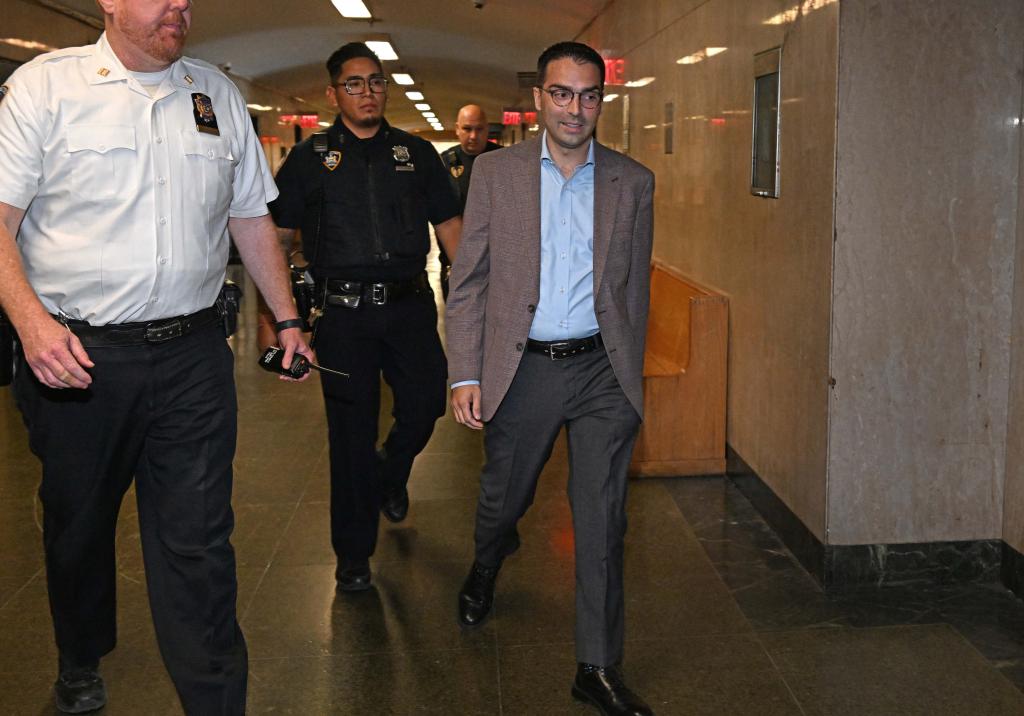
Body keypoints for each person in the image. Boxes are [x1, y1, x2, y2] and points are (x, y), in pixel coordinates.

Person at [0, 1, 312, 714]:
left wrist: (287, 316)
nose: (180, 6)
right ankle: (80, 657)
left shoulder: (216, 94)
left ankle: (215, 700)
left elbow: (249, 216)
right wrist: (31, 325)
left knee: (199, 543)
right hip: (78, 359)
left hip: (195, 357)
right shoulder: (46, 89)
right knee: (77, 527)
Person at [446, 41, 655, 716]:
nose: (575, 108)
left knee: (602, 522)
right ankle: (486, 561)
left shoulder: (632, 181)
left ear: (602, 101)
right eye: (561, 93)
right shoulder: (496, 175)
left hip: (600, 373)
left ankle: (596, 667)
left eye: (589, 94)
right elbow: (469, 280)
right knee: (504, 500)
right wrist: (464, 373)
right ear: (538, 99)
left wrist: (630, 378)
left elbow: (633, 289)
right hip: (524, 369)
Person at [269, 43, 462, 592]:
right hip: (344, 317)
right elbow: (279, 240)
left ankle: (391, 471)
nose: (367, 92)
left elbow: (452, 232)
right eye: (353, 84)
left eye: (375, 82)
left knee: (427, 403)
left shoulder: (415, 153)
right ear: (333, 94)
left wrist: (475, 298)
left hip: (409, 307)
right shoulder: (310, 158)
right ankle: (353, 555)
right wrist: (281, 321)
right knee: (349, 434)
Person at [439, 104, 500, 299]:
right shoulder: (444, 164)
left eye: (479, 129)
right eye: (467, 129)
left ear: (487, 129)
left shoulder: (505, 160)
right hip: (455, 263)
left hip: (497, 266)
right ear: (457, 128)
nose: (473, 136)